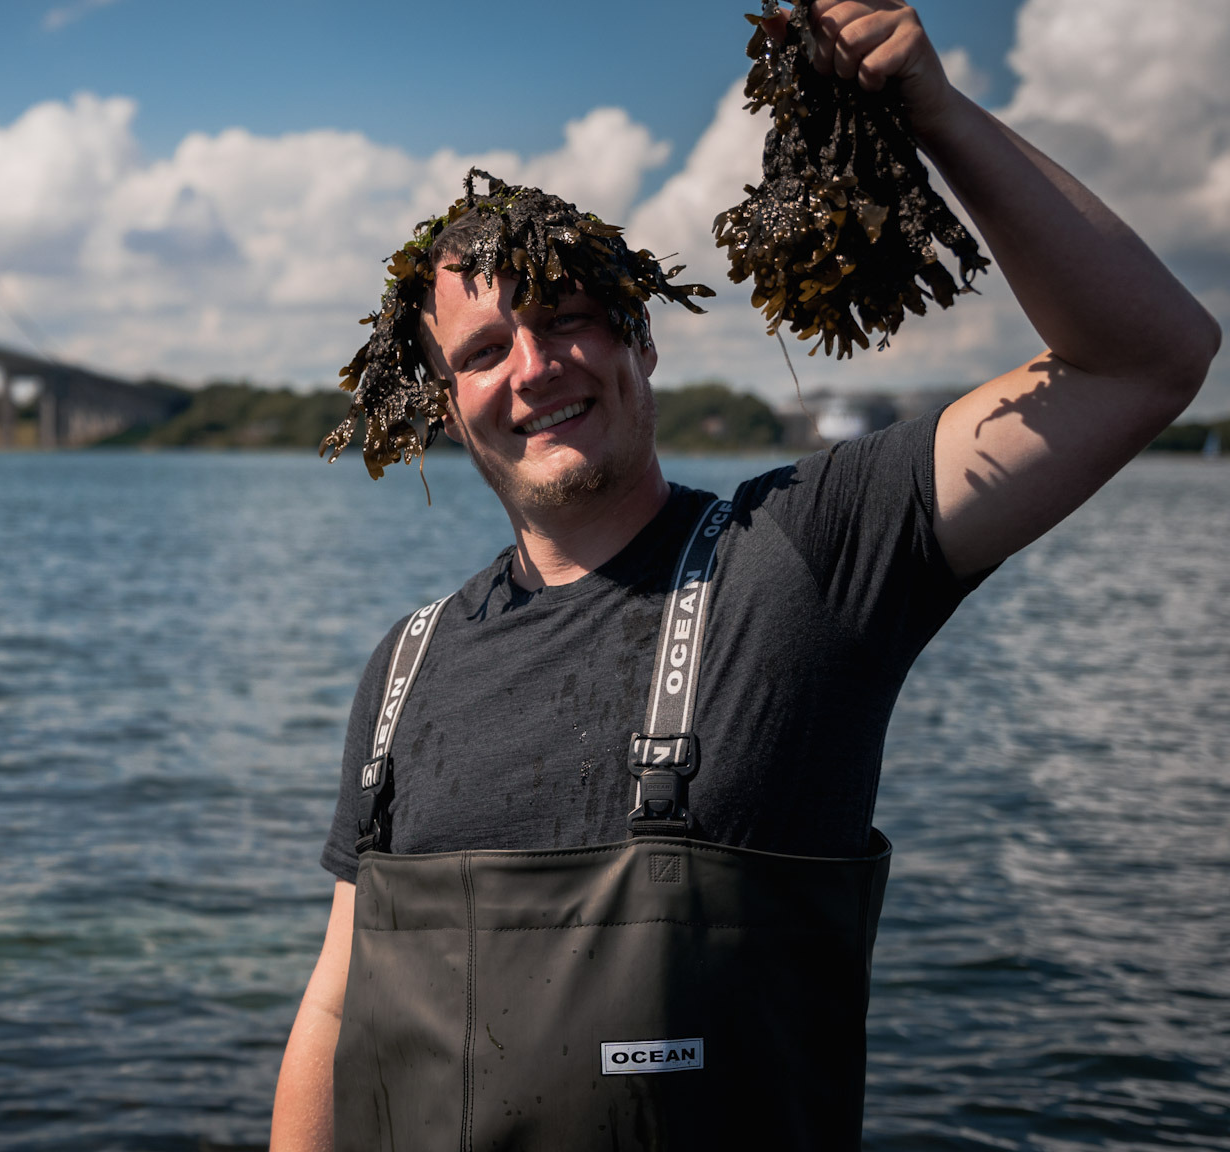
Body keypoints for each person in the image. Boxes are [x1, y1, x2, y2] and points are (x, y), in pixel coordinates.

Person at [269, 1, 1220, 1149]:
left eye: (568, 319)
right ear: (444, 405)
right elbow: (335, 999)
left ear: (641, 339)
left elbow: (1145, 357)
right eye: (480, 350)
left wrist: (935, 113)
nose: (531, 369)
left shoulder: (813, 553)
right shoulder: (405, 666)